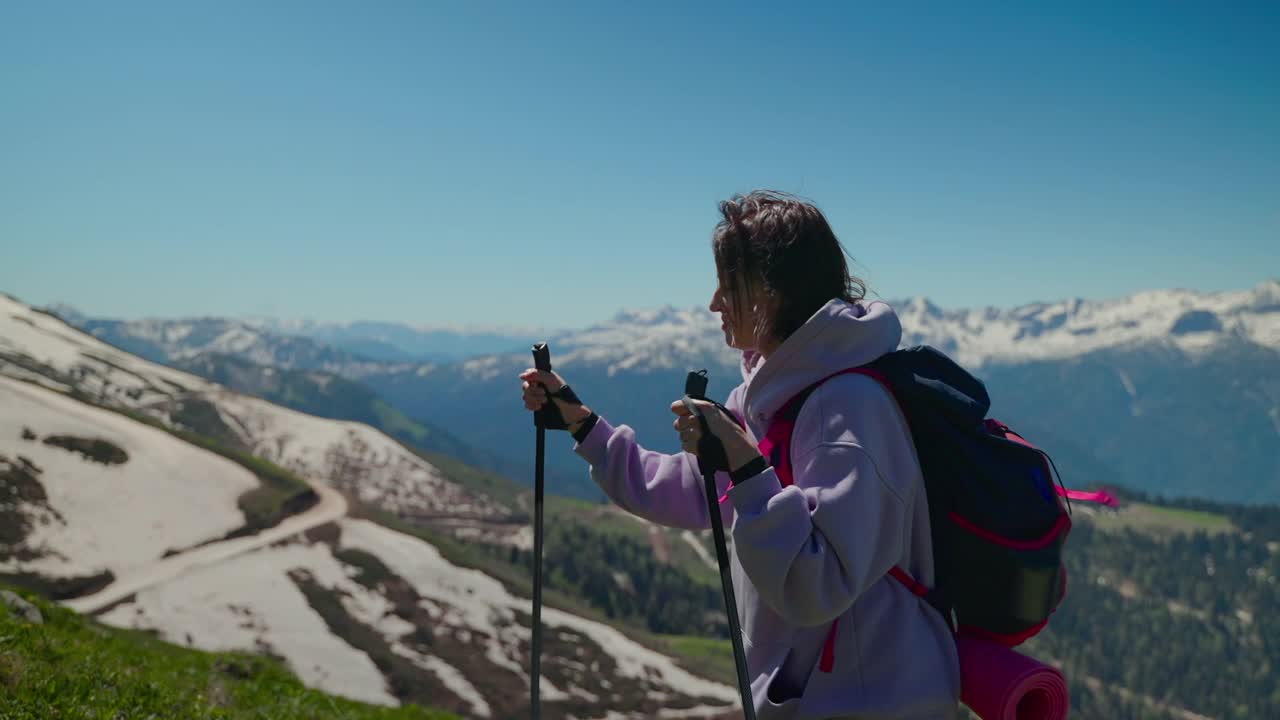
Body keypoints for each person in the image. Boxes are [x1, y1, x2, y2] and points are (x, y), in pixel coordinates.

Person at [519, 191, 960, 719]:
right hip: (821, 696)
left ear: (774, 292)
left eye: (729, 285)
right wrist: (581, 423)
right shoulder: (769, 391)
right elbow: (691, 491)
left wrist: (748, 466)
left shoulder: (848, 408)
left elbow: (816, 585)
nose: (713, 302)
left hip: (873, 701)